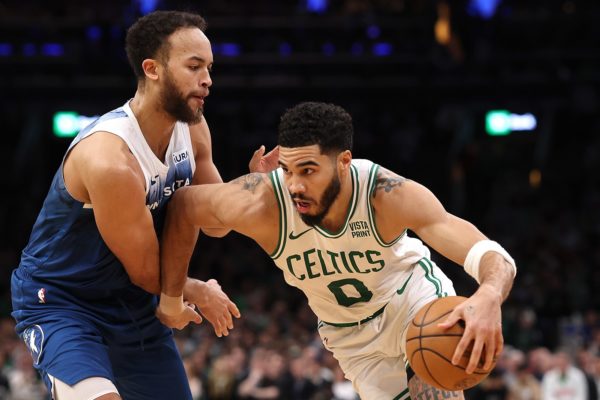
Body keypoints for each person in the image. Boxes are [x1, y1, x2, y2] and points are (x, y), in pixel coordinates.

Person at [158, 101, 517, 400]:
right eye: (287, 171)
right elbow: (185, 206)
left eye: (308, 170)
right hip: (350, 338)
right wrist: (175, 296)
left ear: (344, 161)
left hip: (411, 303)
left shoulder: (384, 194)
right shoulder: (265, 200)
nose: (296, 185)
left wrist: (488, 295)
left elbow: (489, 253)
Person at [10, 10, 277, 400]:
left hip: (133, 303)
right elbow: (146, 270)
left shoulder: (194, 128)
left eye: (210, 67)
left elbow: (216, 223)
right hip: (65, 301)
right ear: (152, 69)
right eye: (194, 66)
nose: (208, 79)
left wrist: (255, 185)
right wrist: (198, 290)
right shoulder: (110, 159)